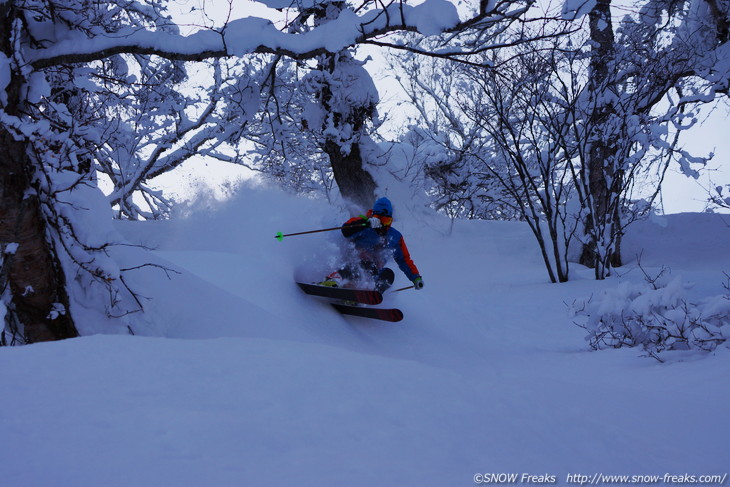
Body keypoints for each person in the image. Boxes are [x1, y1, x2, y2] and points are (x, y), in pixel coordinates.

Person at [320, 197, 424, 294]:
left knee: (388, 275)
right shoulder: (364, 224)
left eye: (386, 221)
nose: (383, 225)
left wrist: (415, 277)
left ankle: (370, 294)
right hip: (353, 261)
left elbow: (404, 259)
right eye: (379, 219)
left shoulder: (395, 237)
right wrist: (365, 223)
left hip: (374, 271)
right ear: (373, 216)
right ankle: (333, 280)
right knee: (360, 266)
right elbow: (345, 231)